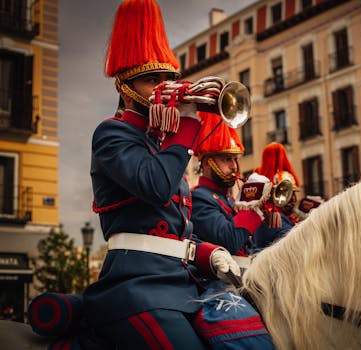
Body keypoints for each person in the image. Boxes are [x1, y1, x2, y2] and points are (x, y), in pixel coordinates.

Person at [82, 1, 242, 348]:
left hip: (180, 283)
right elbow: (154, 187)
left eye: (167, 80)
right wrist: (185, 125)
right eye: (151, 80)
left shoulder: (164, 144)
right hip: (135, 286)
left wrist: (207, 253)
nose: (162, 88)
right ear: (124, 84)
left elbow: (172, 231)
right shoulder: (111, 133)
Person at [190, 112, 269, 265]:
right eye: (227, 159)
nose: (234, 166)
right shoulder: (198, 197)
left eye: (235, 159)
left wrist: (264, 215)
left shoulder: (230, 200)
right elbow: (229, 241)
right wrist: (252, 207)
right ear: (207, 163)